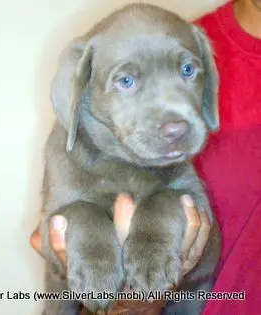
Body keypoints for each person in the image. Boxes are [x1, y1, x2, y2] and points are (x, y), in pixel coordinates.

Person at [30, 0, 261, 313]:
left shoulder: (173, 161)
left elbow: (204, 244)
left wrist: (160, 226)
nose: (174, 124)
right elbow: (53, 236)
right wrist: (83, 228)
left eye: (187, 70)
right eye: (126, 81)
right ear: (80, 88)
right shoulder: (67, 157)